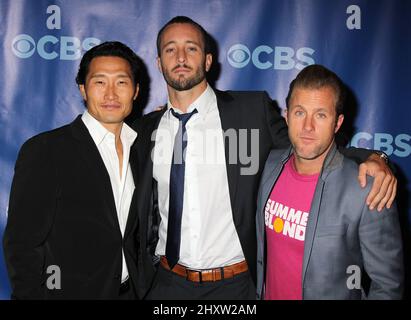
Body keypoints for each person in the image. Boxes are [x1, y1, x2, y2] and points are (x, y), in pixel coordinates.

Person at [132, 16, 396, 300]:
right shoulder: (147, 128)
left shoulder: (251, 111)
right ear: (159, 62)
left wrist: (375, 156)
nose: (181, 57)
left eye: (191, 48)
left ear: (208, 60)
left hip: (234, 288)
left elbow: (307, 145)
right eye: (170, 49)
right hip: (167, 285)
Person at [3, 41, 141, 299]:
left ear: (135, 91)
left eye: (121, 82)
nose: (111, 94)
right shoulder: (46, 150)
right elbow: (22, 245)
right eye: (100, 82)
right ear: (83, 89)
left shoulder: (142, 149)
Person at [256, 64, 404, 300]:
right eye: (299, 112)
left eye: (321, 115)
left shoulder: (368, 189)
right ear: (286, 116)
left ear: (337, 123)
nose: (308, 127)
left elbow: (388, 285)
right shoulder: (270, 165)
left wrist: (381, 159)